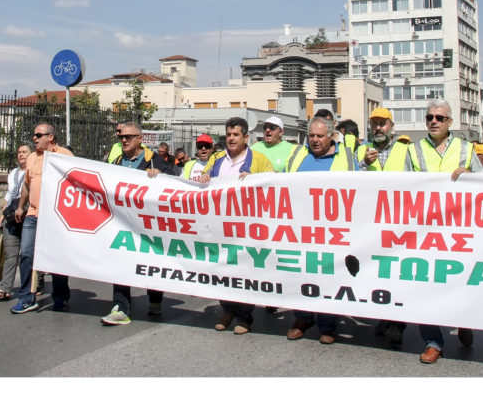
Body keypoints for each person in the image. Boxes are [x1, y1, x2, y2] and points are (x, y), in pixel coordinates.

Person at [407, 100, 481, 363]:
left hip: (459, 228)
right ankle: (433, 342)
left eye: (440, 117)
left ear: (450, 122)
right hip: (425, 229)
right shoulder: (414, 150)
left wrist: (470, 175)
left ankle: (464, 321)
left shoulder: (466, 148)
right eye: (429, 117)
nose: (434, 121)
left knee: (458, 281)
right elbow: (404, 189)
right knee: (425, 285)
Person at [195, 117, 274, 334]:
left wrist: (255, 179)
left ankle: (244, 316)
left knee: (245, 270)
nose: (231, 138)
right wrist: (203, 178)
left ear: (246, 137)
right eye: (228, 134)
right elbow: (204, 177)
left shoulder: (259, 160)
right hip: (220, 226)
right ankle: (227, 309)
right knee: (222, 268)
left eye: (236, 134)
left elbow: (272, 184)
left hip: (247, 227)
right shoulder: (217, 159)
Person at [285, 117, 355, 344]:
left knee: (327, 277)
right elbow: (280, 183)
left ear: (332, 136)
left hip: (331, 230)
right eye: (312, 136)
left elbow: (359, 189)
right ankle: (303, 318)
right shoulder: (298, 155)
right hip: (300, 228)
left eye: (320, 136)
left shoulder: (346, 158)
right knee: (301, 274)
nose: (315, 140)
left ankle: (327, 323)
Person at [101, 122, 178, 325]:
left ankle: (155, 298)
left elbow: (177, 181)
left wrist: (162, 177)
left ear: (140, 139)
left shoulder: (154, 161)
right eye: (121, 137)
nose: (124, 140)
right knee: (120, 263)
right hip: (123, 224)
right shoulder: (116, 162)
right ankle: (120, 307)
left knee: (150, 263)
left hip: (149, 225)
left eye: (128, 137)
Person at [357, 106, 412, 347]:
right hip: (369, 223)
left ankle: (397, 324)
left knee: (396, 274)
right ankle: (382, 316)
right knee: (376, 274)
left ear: (391, 126)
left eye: (383, 123)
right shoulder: (360, 150)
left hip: (398, 223)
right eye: (375, 123)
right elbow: (347, 182)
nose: (378, 127)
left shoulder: (406, 150)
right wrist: (362, 164)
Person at [11, 124, 74, 314]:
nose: (35, 138)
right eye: (34, 135)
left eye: (39, 135)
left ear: (51, 137)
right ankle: (26, 298)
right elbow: (27, 185)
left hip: (55, 216)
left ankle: (61, 296)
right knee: (27, 255)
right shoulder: (31, 158)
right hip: (33, 214)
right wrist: (21, 206)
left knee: (56, 258)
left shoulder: (65, 155)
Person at [0, 144, 30, 302]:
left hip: (27, 216)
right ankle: (4, 288)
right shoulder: (13, 173)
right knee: (10, 255)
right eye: (19, 152)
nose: (21, 155)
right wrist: (2, 214)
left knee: (27, 254)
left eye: (24, 152)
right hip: (11, 216)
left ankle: (36, 284)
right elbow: (9, 194)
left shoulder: (35, 172)